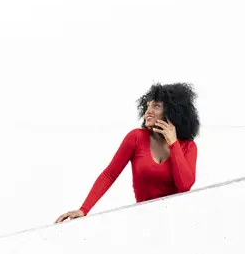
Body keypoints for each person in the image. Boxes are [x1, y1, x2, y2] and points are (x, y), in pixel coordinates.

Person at [55, 82, 199, 223]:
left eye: (156, 106)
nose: (148, 110)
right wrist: (84, 209)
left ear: (173, 111)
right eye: (148, 105)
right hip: (145, 221)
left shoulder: (188, 147)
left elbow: (185, 186)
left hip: (178, 221)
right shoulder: (136, 137)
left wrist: (173, 144)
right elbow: (109, 174)